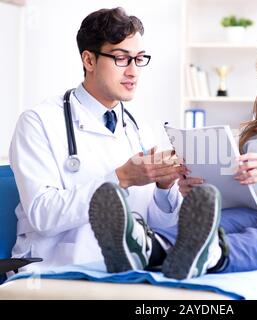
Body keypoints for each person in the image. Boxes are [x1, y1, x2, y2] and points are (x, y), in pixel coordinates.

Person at [88, 29, 257, 280]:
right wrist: (197, 185)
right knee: (219, 221)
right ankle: (146, 246)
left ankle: (212, 254)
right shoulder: (253, 133)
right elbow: (236, 189)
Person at [9, 7, 185, 272]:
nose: (133, 72)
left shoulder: (138, 128)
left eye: (139, 59)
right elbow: (42, 214)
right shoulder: (38, 122)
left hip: (123, 269)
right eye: (121, 59)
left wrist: (163, 188)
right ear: (89, 61)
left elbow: (151, 224)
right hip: (54, 269)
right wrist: (121, 178)